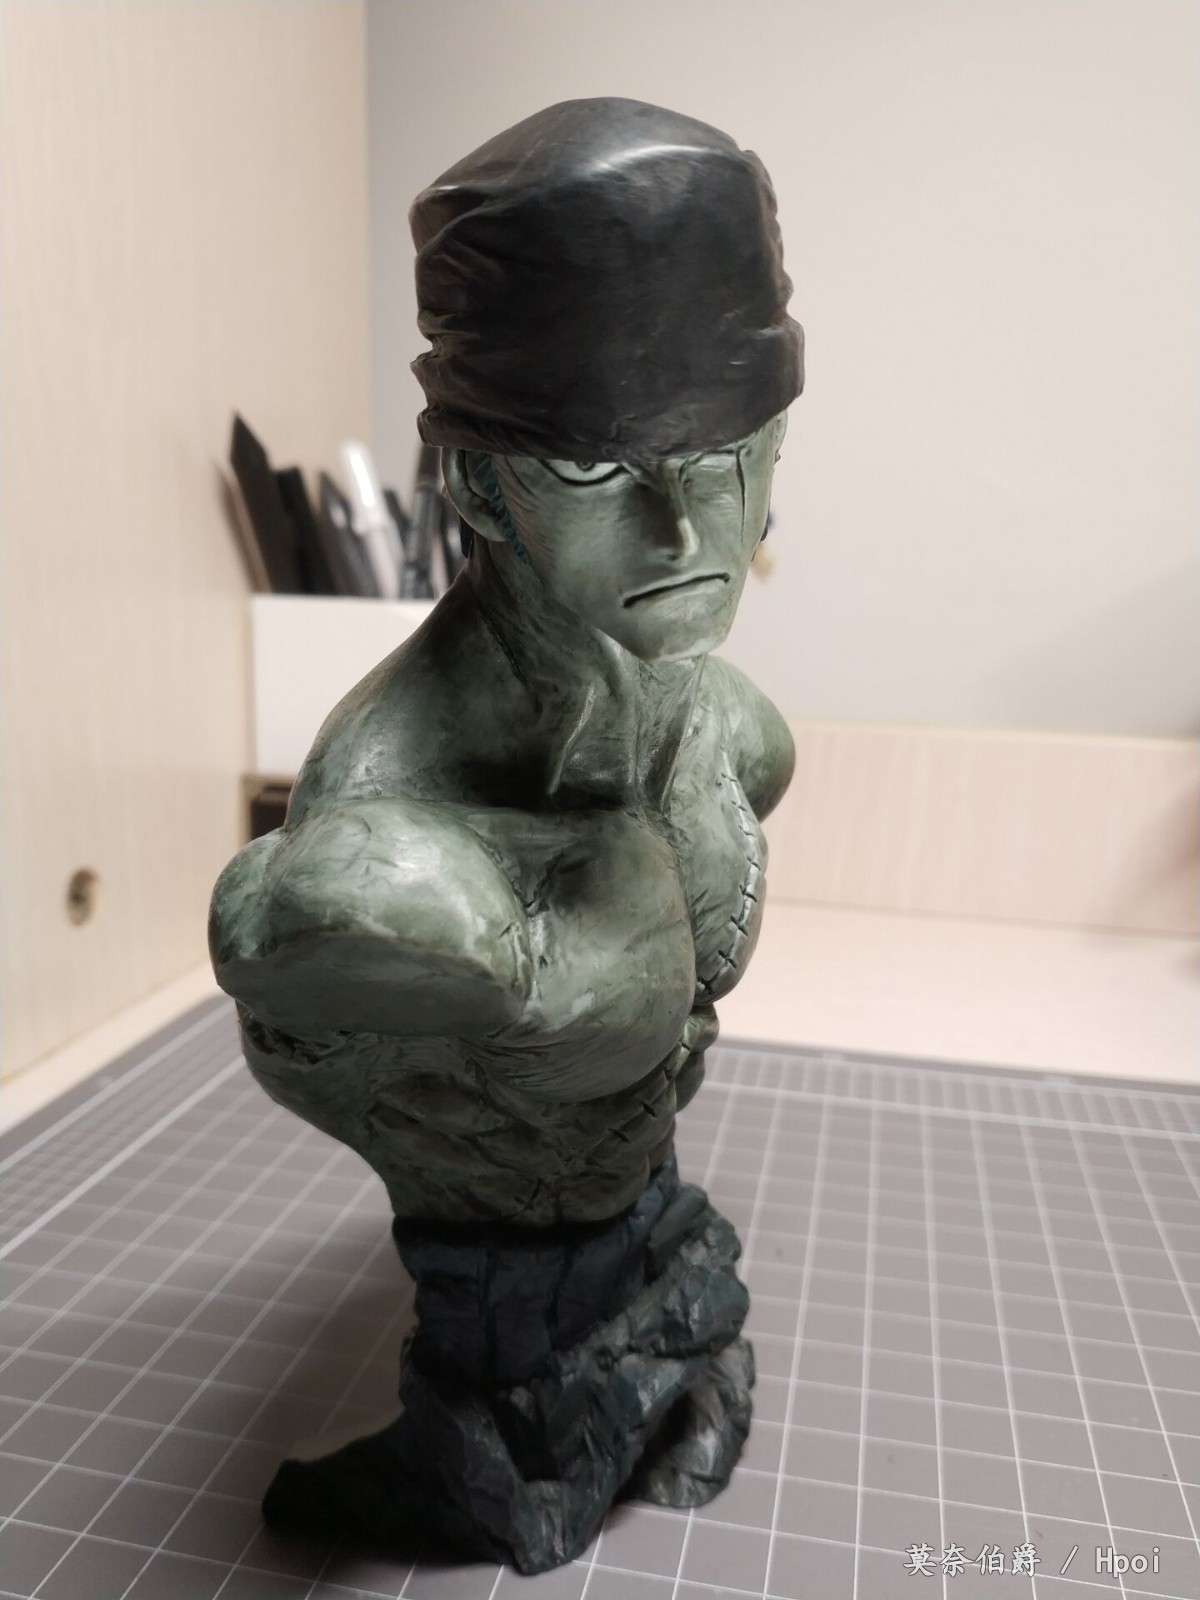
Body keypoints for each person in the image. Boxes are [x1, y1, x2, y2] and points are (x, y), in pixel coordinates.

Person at [209, 96, 803, 1572]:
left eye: (721, 457)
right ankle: (497, 1464)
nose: (684, 532)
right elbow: (289, 944)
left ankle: (668, 1371)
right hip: (500, 1283)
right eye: (599, 472)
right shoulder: (399, 817)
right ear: (479, 482)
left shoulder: (713, 716)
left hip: (643, 1218)